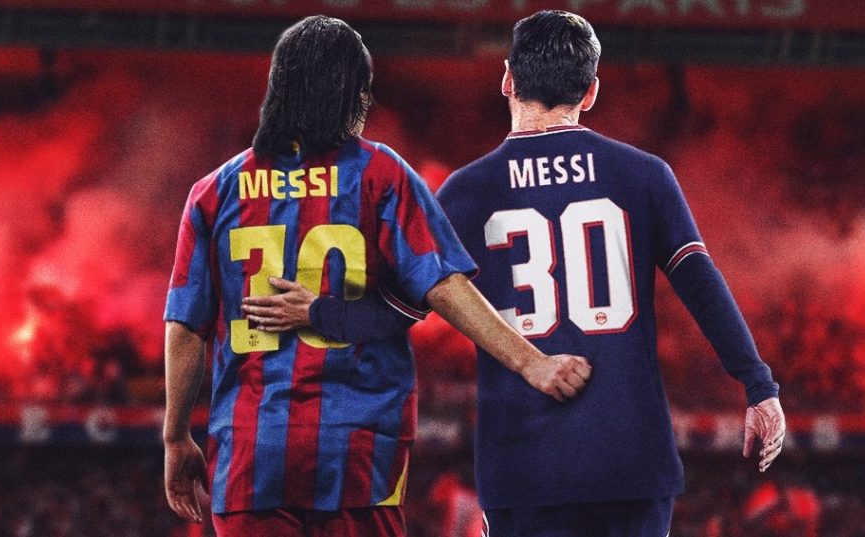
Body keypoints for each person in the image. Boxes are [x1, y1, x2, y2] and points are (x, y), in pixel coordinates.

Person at [254, 10, 787, 537]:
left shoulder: (467, 191)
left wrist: (317, 311)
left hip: (525, 467)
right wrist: (758, 386)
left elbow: (394, 310)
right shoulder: (644, 175)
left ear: (508, 79)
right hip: (632, 462)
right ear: (590, 91)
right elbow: (701, 285)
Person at [161, 15, 591, 537]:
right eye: (362, 88)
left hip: (251, 453)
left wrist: (175, 436)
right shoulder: (380, 173)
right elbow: (442, 283)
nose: (367, 101)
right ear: (346, 92)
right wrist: (532, 363)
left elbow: (186, 327)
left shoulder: (215, 191)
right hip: (359, 449)